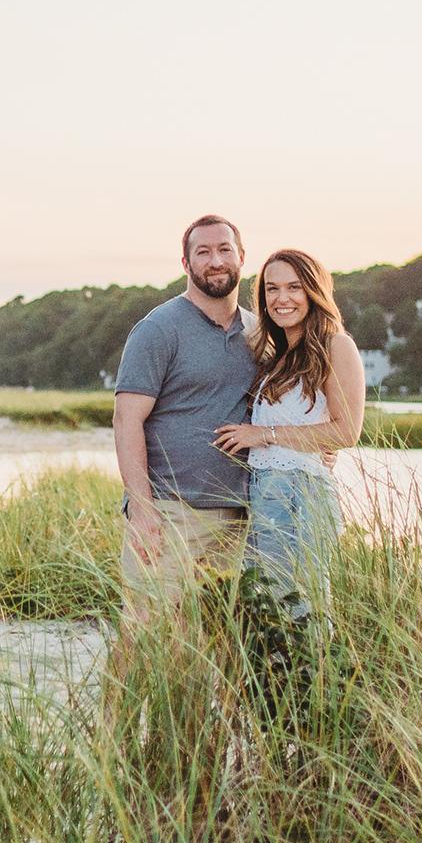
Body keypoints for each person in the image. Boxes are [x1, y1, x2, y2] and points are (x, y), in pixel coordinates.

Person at [111, 215, 259, 626]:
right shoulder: (158, 329)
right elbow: (126, 421)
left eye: (224, 250)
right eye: (203, 252)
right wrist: (142, 510)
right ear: (186, 263)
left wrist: (322, 444)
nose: (216, 261)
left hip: (240, 516)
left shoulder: (258, 332)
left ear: (241, 257)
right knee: (146, 633)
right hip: (171, 512)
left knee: (215, 640)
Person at [212, 247, 362, 615]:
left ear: (314, 291)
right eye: (272, 289)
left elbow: (347, 432)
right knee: (268, 611)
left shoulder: (336, 345)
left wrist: (263, 434)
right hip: (266, 492)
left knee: (302, 609)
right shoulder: (278, 354)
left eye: (294, 287)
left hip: (301, 494)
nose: (282, 299)